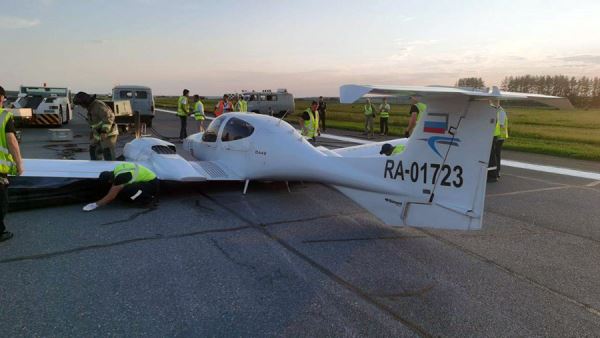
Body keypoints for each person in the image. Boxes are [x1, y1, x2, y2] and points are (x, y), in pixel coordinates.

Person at [0, 86, 24, 243]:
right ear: (1, 98)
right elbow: (12, 142)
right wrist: (19, 164)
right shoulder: (4, 116)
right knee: (1, 201)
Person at [83, 162, 159, 211]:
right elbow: (114, 187)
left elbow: (111, 196)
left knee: (128, 190)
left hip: (152, 184)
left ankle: (148, 199)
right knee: (121, 189)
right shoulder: (116, 170)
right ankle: (138, 195)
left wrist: (96, 204)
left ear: (109, 181)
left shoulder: (121, 177)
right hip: (146, 178)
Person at [73, 91, 119, 160]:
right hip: (98, 135)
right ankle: (96, 168)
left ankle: (111, 168)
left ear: (85, 102)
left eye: (81, 104)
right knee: (93, 150)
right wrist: (93, 133)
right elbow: (95, 123)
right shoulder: (90, 108)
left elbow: (109, 117)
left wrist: (104, 131)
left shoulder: (98, 106)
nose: (81, 106)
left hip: (108, 134)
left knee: (107, 152)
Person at [488, 99, 509, 182]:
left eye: (493, 102)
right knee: (496, 154)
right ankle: (497, 171)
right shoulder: (499, 110)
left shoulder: (500, 111)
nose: (491, 104)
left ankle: (496, 172)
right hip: (498, 136)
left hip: (499, 136)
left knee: (495, 155)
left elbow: (500, 125)